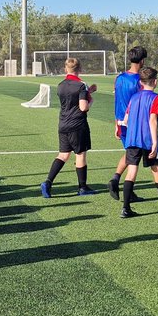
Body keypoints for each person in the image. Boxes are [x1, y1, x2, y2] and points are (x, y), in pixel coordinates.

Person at [119, 67, 158, 219]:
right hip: (147, 139)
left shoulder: (134, 97)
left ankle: (126, 208)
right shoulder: (156, 98)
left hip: (132, 139)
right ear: (155, 81)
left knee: (132, 170)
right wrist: (154, 142)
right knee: (156, 168)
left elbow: (126, 119)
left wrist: (123, 123)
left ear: (140, 82)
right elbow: (152, 120)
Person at [40, 57, 97, 198]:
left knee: (63, 155)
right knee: (80, 154)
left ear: (66, 69)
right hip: (77, 124)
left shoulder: (60, 85)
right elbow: (83, 107)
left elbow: (71, 98)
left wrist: (88, 92)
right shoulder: (81, 85)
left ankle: (48, 182)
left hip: (63, 123)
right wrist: (91, 100)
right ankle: (83, 187)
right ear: (80, 69)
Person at [108, 46, 148, 201]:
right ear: (142, 60)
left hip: (120, 121)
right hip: (133, 123)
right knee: (134, 156)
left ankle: (115, 179)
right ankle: (127, 191)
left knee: (130, 153)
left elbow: (117, 100)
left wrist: (115, 123)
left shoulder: (119, 78)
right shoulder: (139, 80)